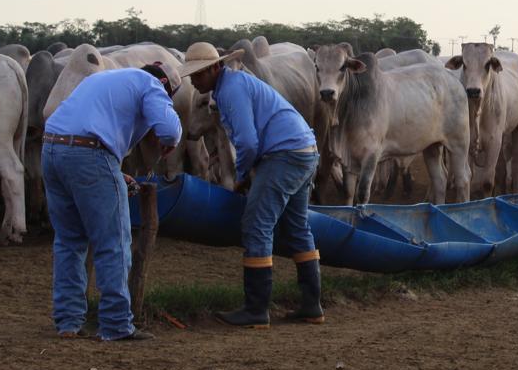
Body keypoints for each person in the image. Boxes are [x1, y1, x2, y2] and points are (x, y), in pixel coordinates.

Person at [179, 42, 324, 328]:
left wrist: (243, 174)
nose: (194, 80)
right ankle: (312, 305)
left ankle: (256, 308)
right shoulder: (234, 84)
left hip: (283, 155)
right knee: (297, 228)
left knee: (256, 225)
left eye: (197, 74)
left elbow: (246, 141)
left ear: (214, 68)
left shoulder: (231, 89)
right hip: (303, 151)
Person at [42, 63, 183, 340]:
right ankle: (116, 324)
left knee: (69, 240)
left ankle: (68, 322)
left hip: (52, 149)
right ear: (164, 83)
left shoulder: (103, 80)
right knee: (114, 241)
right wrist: (168, 138)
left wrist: (114, 174)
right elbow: (169, 130)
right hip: (90, 153)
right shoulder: (150, 84)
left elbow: (82, 132)